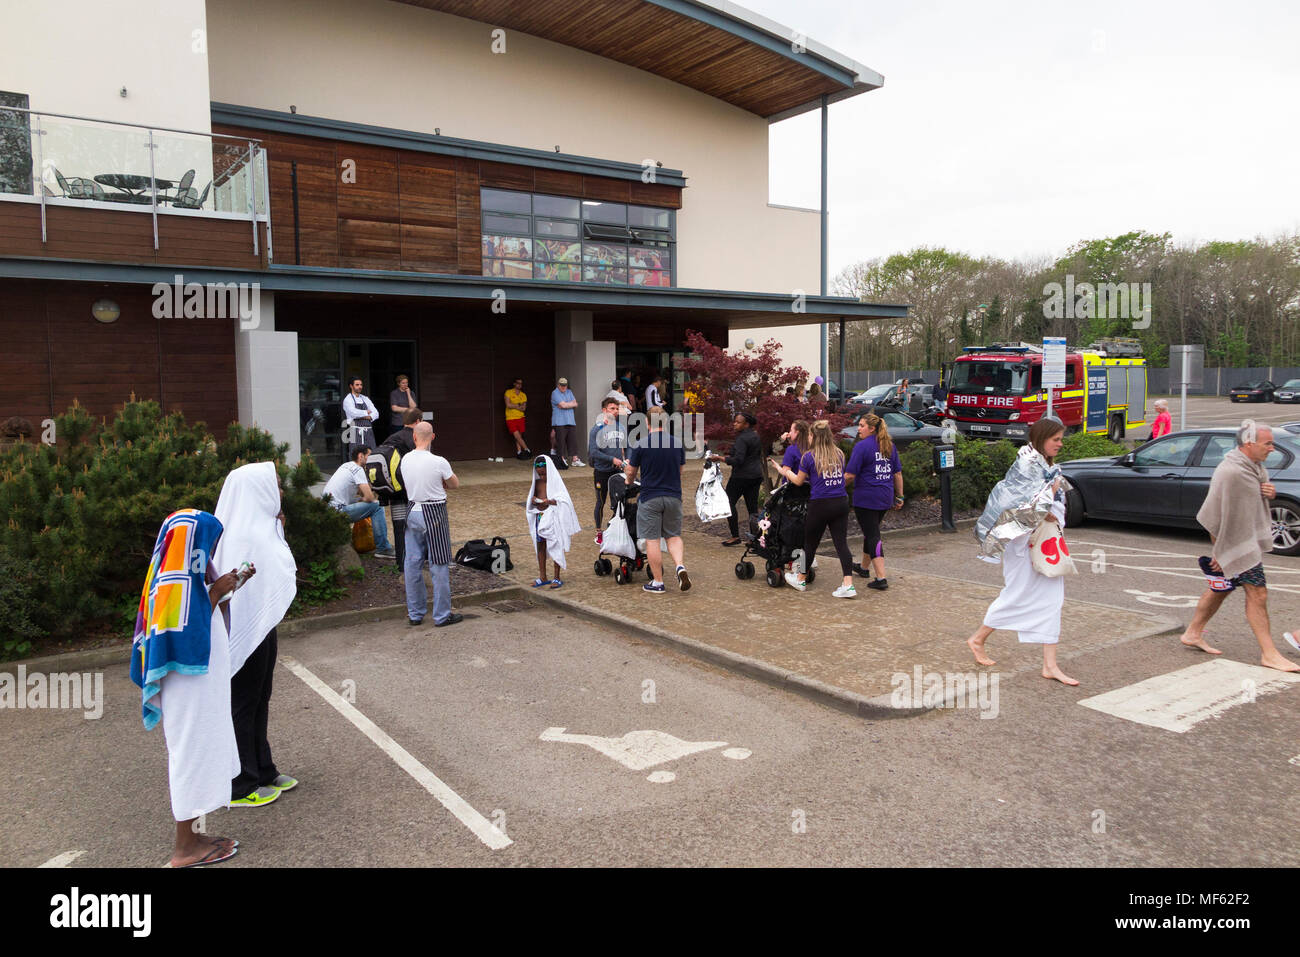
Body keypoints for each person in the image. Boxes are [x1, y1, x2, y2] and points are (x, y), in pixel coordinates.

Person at [131, 508, 243, 867]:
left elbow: (192, 607)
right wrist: (217, 592)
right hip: (188, 685)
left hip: (196, 685)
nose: (209, 553)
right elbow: (185, 622)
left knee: (197, 749)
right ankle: (184, 849)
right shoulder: (174, 580)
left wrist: (217, 588)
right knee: (190, 754)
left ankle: (194, 835)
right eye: (207, 545)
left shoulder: (176, 573)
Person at [1176, 420, 1299, 673]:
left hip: (1241, 543)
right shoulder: (1231, 472)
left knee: (1221, 588)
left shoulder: (1254, 468)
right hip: (1234, 545)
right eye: (1268, 444)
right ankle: (1269, 653)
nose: (1272, 449)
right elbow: (1215, 516)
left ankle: (1193, 633)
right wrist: (1221, 551)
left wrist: (1269, 493)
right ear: (1249, 443)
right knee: (1258, 594)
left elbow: (1249, 503)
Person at [966, 418, 1077, 685]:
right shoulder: (1027, 464)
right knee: (1017, 594)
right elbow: (1016, 501)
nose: (1061, 444)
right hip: (1024, 543)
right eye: (1056, 440)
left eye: (1061, 439)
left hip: (1044, 541)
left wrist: (1051, 500)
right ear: (1042, 439)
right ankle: (978, 638)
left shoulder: (1045, 464)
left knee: (1052, 598)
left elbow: (1048, 498)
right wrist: (1047, 505)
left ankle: (1050, 665)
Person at [214, 462, 299, 808]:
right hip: (243, 629)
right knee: (244, 701)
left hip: (262, 625)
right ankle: (240, 782)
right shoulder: (240, 533)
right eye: (275, 486)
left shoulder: (262, 527)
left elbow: (278, 565)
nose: (280, 492)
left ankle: (263, 768)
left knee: (261, 696)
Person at [772, 420, 856, 598]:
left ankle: (801, 579)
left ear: (815, 437)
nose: (808, 437)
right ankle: (848, 584)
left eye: (810, 435)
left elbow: (798, 481)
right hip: (840, 501)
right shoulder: (839, 454)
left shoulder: (809, 457)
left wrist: (784, 471)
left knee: (810, 544)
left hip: (820, 504)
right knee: (841, 544)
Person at [399, 421, 462, 627]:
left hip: (412, 510)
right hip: (434, 511)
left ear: (414, 437)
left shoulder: (406, 459)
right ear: (432, 437)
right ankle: (442, 615)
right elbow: (454, 483)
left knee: (412, 562)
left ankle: (415, 613)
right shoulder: (439, 461)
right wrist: (442, 482)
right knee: (439, 563)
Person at [624, 408, 691, 594]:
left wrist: (628, 481)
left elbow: (630, 472)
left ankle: (658, 582)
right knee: (673, 535)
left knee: (652, 540)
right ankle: (679, 566)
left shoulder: (641, 444)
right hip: (674, 497)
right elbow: (680, 471)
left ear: (647, 423)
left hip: (650, 497)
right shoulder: (677, 444)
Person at [845, 413, 903, 589]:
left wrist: (833, 486)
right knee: (871, 531)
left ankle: (881, 578)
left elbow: (850, 475)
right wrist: (899, 496)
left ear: (872, 428)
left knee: (873, 535)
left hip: (866, 498)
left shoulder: (862, 447)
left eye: (862, 425)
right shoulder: (889, 446)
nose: (858, 429)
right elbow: (897, 473)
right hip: (885, 497)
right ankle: (863, 568)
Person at [372, 408, 422, 571]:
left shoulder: (391, 438)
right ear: (418, 421)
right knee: (416, 526)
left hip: (392, 491)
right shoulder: (414, 438)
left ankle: (401, 564)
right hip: (409, 490)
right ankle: (415, 563)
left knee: (399, 527)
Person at [323, 447, 395, 558]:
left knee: (368, 504)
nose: (371, 460)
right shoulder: (358, 469)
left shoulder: (346, 465)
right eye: (369, 456)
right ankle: (383, 549)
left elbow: (362, 494)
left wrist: (365, 495)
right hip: (339, 510)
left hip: (329, 509)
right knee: (377, 506)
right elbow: (370, 497)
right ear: (360, 456)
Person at [527, 454, 581, 588]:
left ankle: (557, 577)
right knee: (541, 546)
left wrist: (550, 501)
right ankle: (543, 576)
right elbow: (532, 500)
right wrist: (533, 501)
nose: (542, 477)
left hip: (552, 518)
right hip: (540, 518)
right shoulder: (537, 483)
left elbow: (564, 500)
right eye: (540, 474)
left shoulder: (556, 482)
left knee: (556, 545)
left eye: (544, 474)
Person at [710, 411, 762, 547]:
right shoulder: (755, 436)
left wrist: (720, 458)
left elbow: (738, 460)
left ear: (746, 424)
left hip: (741, 476)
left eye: (738, 422)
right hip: (756, 475)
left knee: (728, 503)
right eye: (735, 421)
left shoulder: (742, 439)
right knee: (752, 508)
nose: (735, 424)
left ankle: (735, 536)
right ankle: (754, 538)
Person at [588, 396, 628, 530]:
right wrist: (612, 459)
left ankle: (612, 527)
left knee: (619, 501)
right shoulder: (597, 429)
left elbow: (627, 447)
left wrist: (626, 459)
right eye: (612, 408)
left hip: (617, 471)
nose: (615, 411)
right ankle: (599, 531)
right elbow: (593, 452)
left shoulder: (621, 427)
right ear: (604, 410)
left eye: (617, 408)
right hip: (602, 472)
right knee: (600, 502)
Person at [342, 376, 379, 456]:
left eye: (361, 385)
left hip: (368, 432)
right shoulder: (348, 399)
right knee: (356, 455)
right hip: (355, 432)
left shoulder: (365, 398)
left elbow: (376, 413)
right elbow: (353, 413)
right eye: (357, 385)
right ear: (351, 386)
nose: (360, 387)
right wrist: (367, 413)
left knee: (371, 455)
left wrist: (365, 415)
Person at [551, 377, 583, 467]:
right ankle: (561, 459)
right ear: (558, 385)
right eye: (562, 385)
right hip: (559, 421)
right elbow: (562, 405)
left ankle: (575, 459)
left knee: (572, 440)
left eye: (565, 385)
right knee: (560, 441)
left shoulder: (569, 392)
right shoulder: (555, 393)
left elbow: (575, 403)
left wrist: (566, 404)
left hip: (570, 420)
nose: (563, 387)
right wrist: (568, 404)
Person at [504, 376, 532, 460]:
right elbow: (508, 405)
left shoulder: (523, 395)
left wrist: (514, 405)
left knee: (519, 436)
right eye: (518, 383)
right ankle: (527, 450)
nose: (520, 385)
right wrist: (518, 405)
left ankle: (519, 452)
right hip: (510, 418)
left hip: (521, 417)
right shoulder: (508, 392)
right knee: (517, 436)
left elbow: (524, 408)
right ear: (514, 383)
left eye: (521, 383)